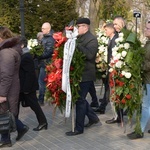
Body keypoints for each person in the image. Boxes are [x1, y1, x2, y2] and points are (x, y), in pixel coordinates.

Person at [66, 18, 100, 136]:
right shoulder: (77, 38)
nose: (77, 29)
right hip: (77, 74)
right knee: (79, 99)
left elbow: (90, 55)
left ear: (86, 27)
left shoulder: (92, 39)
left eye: (79, 26)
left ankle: (78, 128)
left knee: (79, 100)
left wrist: (77, 45)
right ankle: (93, 117)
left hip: (86, 74)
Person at [0, 27, 28, 148]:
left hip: (7, 88)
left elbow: (6, 75)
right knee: (5, 113)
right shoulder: (8, 50)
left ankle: (6, 139)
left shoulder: (6, 52)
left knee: (4, 114)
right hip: (9, 87)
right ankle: (20, 128)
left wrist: (2, 94)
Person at [127, 21, 150, 139]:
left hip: (149, 80)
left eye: (147, 28)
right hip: (147, 78)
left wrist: (139, 66)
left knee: (146, 106)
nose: (145, 30)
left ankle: (139, 131)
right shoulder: (148, 43)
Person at [19, 37, 48, 131]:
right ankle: (15, 124)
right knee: (18, 105)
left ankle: (43, 122)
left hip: (28, 87)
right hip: (24, 86)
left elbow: (30, 74)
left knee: (34, 105)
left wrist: (26, 89)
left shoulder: (26, 56)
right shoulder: (24, 55)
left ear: (22, 45)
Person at [104, 16, 127, 124]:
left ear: (122, 23)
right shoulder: (116, 37)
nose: (114, 26)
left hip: (118, 70)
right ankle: (118, 116)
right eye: (114, 24)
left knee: (116, 94)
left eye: (116, 24)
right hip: (113, 69)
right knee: (114, 94)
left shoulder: (121, 37)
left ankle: (119, 116)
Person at [94, 23, 119, 117]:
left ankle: (104, 107)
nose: (105, 32)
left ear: (112, 30)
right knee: (108, 88)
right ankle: (103, 107)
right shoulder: (110, 39)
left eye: (106, 30)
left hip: (113, 69)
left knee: (109, 89)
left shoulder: (115, 40)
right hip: (109, 68)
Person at [38, 22, 55, 105]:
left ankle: (41, 99)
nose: (42, 30)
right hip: (43, 63)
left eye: (44, 28)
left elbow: (49, 52)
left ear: (48, 29)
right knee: (44, 82)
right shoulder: (44, 38)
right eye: (42, 28)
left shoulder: (50, 39)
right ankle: (45, 98)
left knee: (42, 82)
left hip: (47, 63)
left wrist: (38, 56)